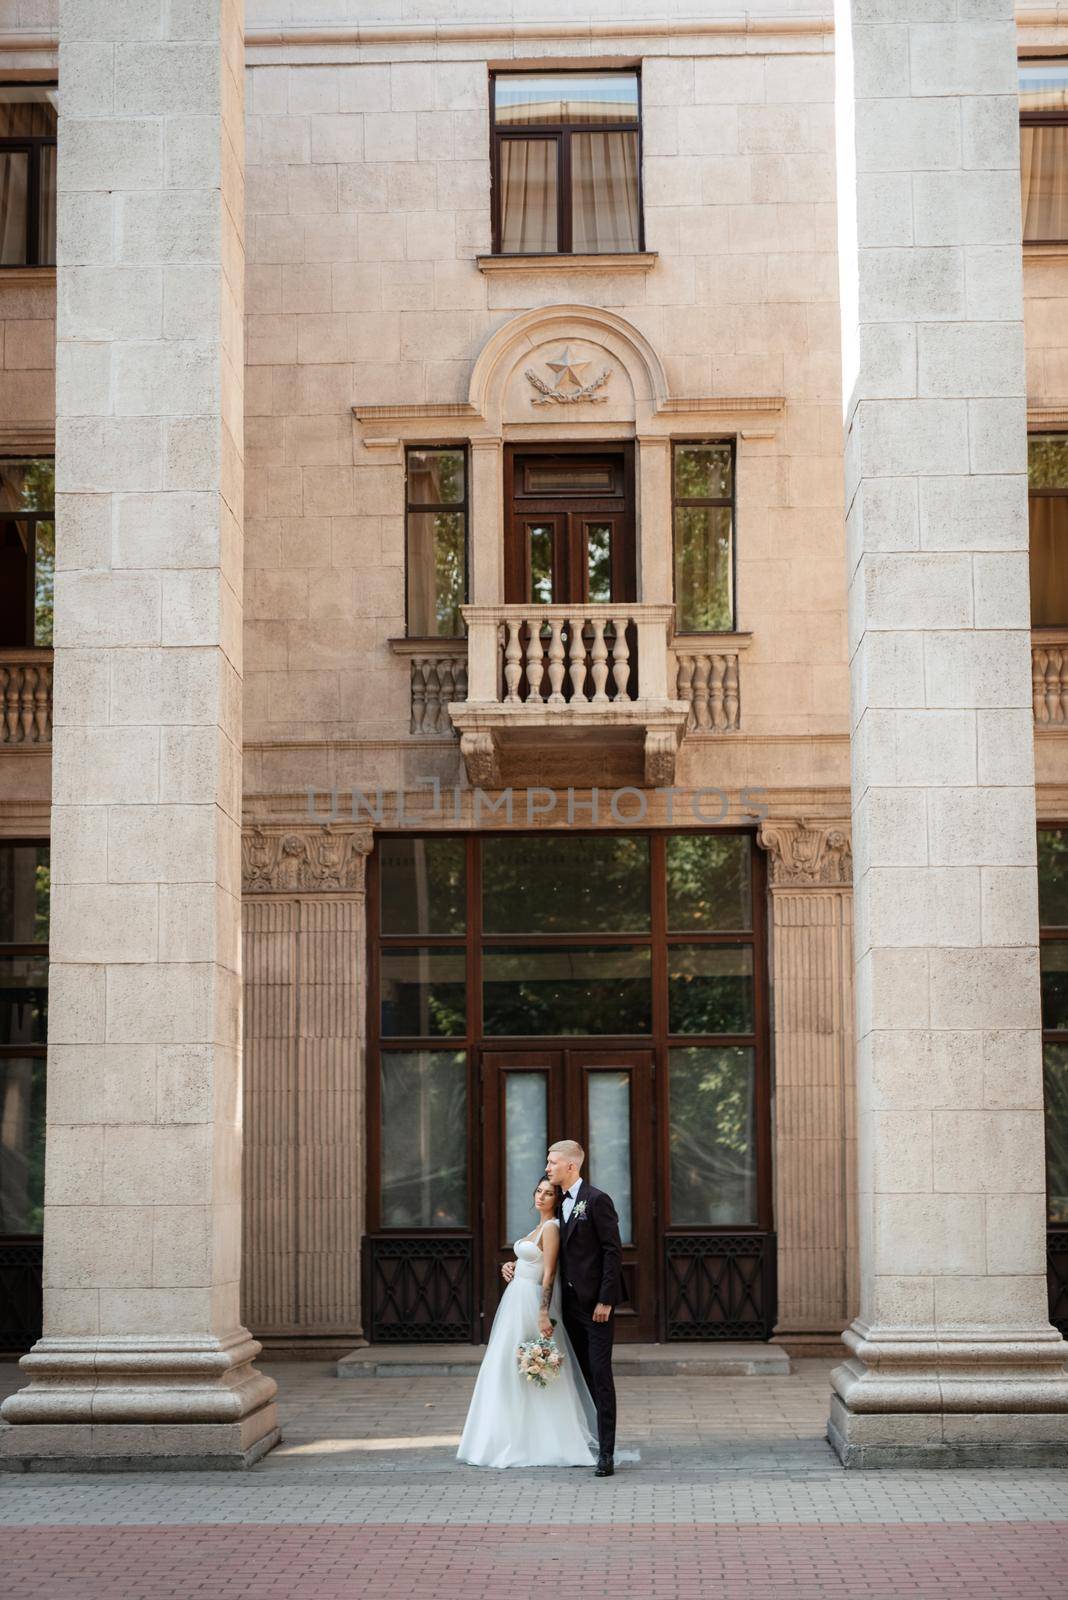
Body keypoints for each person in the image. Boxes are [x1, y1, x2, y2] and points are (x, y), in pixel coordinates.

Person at [456, 1177, 597, 1469]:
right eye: (539, 1191)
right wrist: (510, 1265)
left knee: (529, 1367)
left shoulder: (552, 1228)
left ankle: (542, 1440)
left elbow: (549, 1274)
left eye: (549, 1193)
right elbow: (529, 1261)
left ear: (557, 1200)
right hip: (514, 1301)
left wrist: (543, 1312)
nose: (542, 1196)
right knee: (503, 1366)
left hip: (531, 1304)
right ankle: (500, 1437)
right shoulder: (537, 1227)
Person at [543, 1138, 622, 1477]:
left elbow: (612, 1251)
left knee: (601, 1375)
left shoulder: (597, 1200)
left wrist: (606, 1299)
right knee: (581, 1376)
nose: (547, 1169)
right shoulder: (557, 1203)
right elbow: (546, 1246)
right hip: (569, 1307)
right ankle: (586, 1441)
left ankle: (607, 1453)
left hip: (595, 1307)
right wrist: (515, 1264)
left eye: (552, 1163)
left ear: (571, 1166)